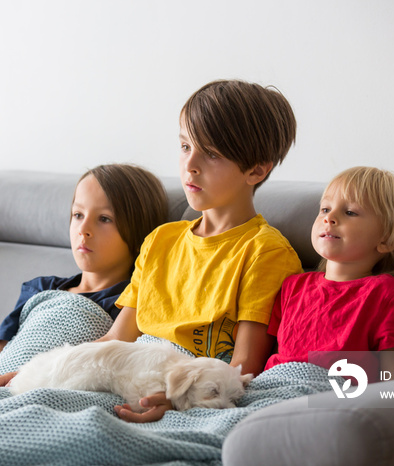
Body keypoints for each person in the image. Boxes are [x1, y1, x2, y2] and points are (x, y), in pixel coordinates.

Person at [83, 79, 302, 422]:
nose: (190, 165)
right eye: (185, 146)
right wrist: (31, 373)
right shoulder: (160, 241)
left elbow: (243, 365)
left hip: (188, 395)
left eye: (211, 153)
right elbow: (116, 339)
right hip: (124, 379)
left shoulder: (264, 251)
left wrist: (177, 400)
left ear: (256, 169)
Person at [0, 164, 169, 393]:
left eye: (104, 219)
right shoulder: (39, 289)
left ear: (139, 229)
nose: (84, 230)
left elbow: (93, 365)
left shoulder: (131, 302)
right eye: (78, 215)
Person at [264, 166, 394, 382]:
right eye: (324, 209)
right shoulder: (292, 286)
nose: (329, 218)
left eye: (350, 212)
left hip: (330, 396)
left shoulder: (387, 294)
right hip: (272, 386)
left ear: (387, 239)